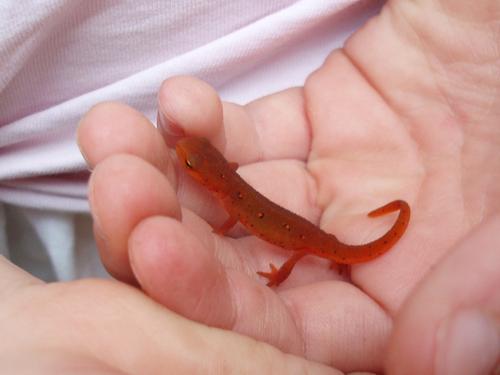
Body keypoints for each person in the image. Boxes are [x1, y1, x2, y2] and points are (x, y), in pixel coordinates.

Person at [1, 0, 499, 374]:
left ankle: (309, 267)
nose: (186, 161)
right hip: (37, 192)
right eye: (192, 160)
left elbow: (235, 210)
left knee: (305, 247)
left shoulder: (227, 190)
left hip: (307, 227)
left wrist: (277, 272)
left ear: (206, 172)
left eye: (192, 162)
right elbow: (231, 195)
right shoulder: (226, 182)